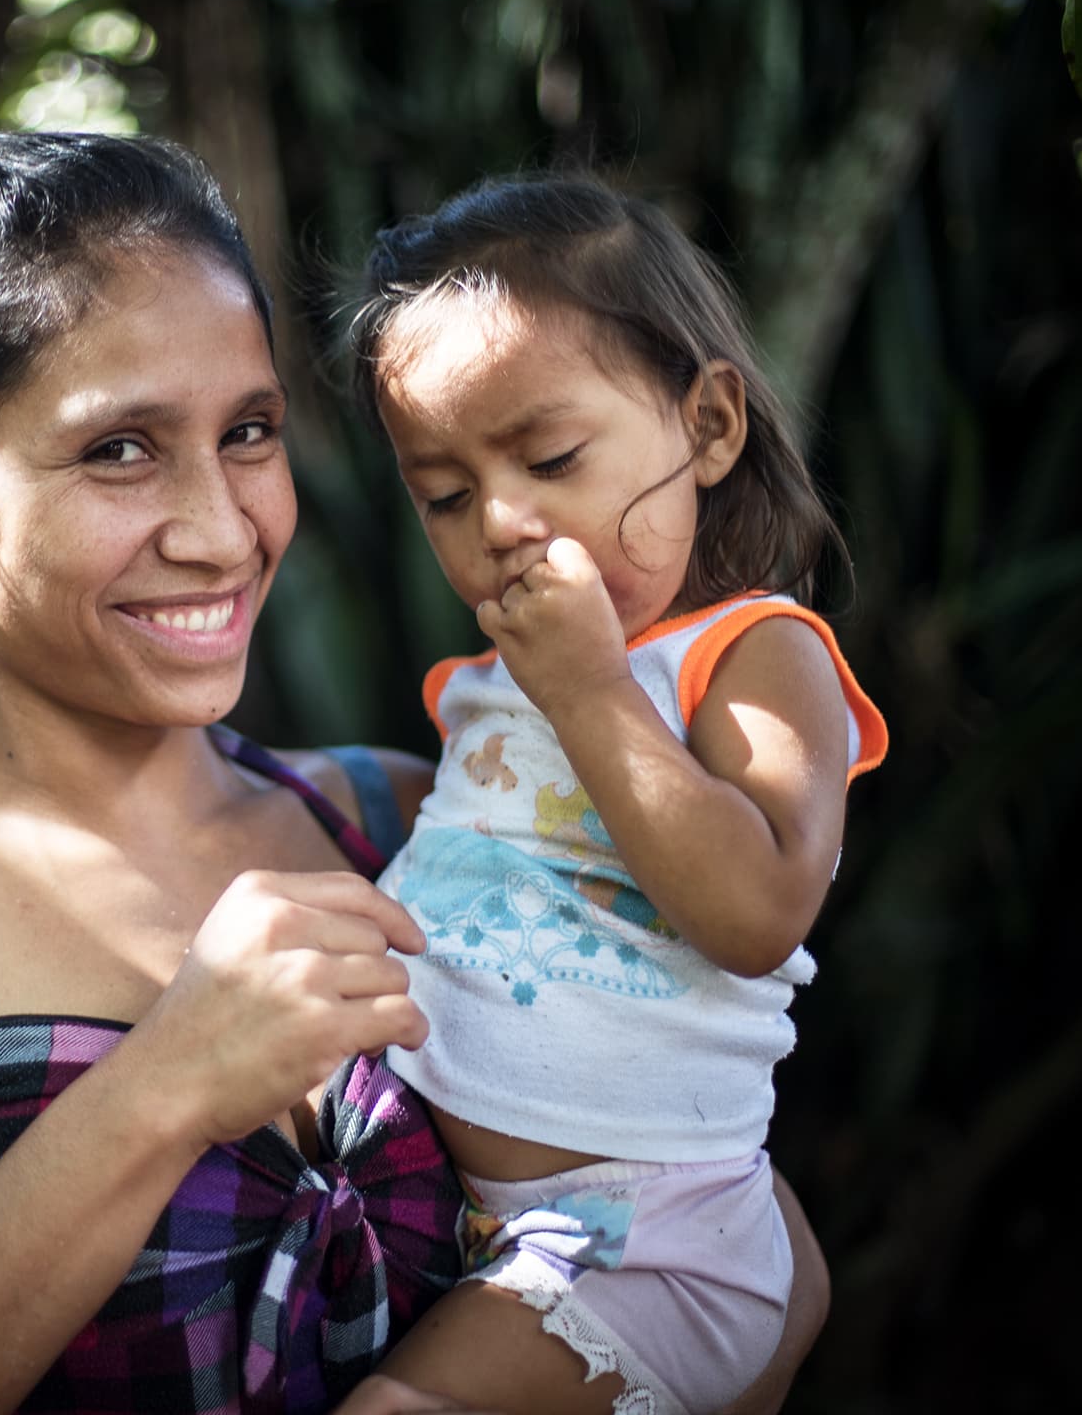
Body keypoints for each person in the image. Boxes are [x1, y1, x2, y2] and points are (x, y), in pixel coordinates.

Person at [0, 122, 830, 1414]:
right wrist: (159, 1091)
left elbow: (737, 1259)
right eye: (119, 449)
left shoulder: (407, 818)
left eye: (251, 432)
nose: (220, 532)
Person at [341, 177, 887, 1415]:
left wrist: (592, 692)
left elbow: (757, 913)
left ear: (709, 425)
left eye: (551, 459)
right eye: (445, 493)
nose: (502, 520)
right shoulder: (498, 682)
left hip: (647, 1242)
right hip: (462, 1217)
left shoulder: (754, 655)